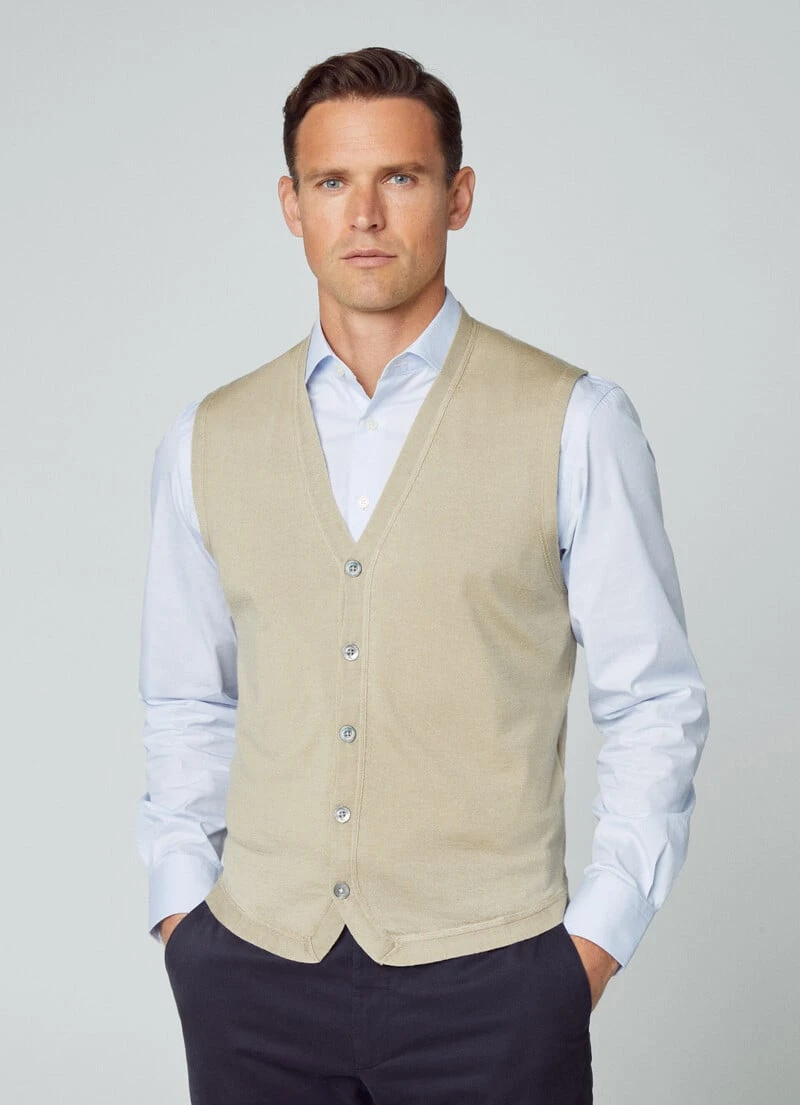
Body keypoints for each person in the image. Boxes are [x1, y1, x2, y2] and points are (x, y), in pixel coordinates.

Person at [136, 44, 709, 1105]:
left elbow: (653, 700)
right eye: (331, 182)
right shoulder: (207, 437)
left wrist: (590, 944)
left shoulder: (574, 421)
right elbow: (187, 699)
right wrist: (184, 916)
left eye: (399, 176)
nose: (363, 215)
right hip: (252, 978)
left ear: (458, 196)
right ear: (291, 204)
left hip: (495, 983)